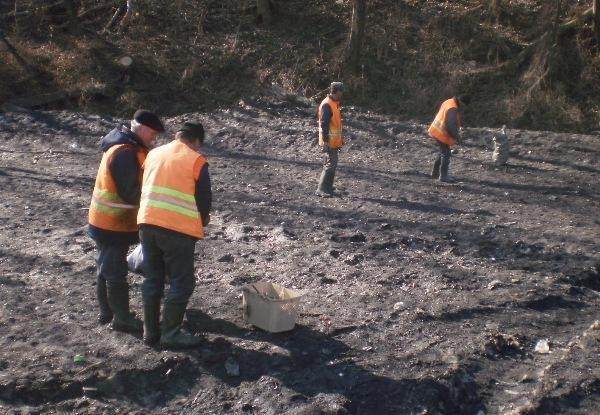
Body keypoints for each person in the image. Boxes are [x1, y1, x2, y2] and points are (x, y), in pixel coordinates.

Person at [88, 110, 164, 332]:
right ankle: (121, 319)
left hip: (108, 221)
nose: (155, 138)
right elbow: (130, 192)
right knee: (114, 271)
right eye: (153, 133)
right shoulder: (124, 152)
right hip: (112, 223)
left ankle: (107, 312)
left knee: (105, 267)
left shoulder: (126, 147)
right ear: (142, 128)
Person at [137, 122, 212, 349]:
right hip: (177, 230)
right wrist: (201, 221)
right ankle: (170, 333)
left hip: (147, 222)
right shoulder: (196, 160)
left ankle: (150, 332)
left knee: (153, 278)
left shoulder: (153, 154)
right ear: (197, 141)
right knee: (182, 282)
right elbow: (204, 201)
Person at [428, 95, 470, 182]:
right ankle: (443, 176)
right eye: (464, 106)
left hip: (436, 129)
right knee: (446, 153)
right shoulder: (453, 108)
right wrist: (457, 137)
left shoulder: (449, 101)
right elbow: (450, 125)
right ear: (461, 102)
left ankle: (435, 173)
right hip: (441, 133)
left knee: (442, 151)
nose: (463, 109)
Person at [316, 82, 345, 197]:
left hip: (333, 140)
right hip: (329, 141)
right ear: (336, 91)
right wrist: (326, 140)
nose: (342, 93)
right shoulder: (327, 105)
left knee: (332, 163)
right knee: (330, 163)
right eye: (341, 91)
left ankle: (328, 187)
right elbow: (324, 124)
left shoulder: (334, 103)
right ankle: (322, 189)